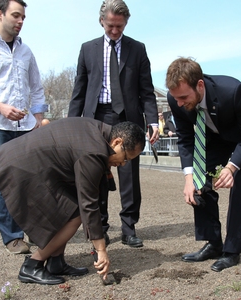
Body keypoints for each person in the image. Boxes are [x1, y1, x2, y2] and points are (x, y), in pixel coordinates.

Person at [0, 118, 146, 285]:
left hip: (26, 161)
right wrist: (101, 250)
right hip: (22, 167)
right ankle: (32, 265)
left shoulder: (98, 131)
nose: (123, 164)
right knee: (76, 214)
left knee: (70, 207)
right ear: (117, 141)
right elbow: (88, 203)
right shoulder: (93, 150)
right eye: (126, 158)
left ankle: (56, 262)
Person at [166, 57, 241, 272]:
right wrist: (189, 178)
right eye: (175, 98)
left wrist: (231, 167)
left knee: (238, 187)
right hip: (216, 136)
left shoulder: (233, 90)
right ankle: (213, 243)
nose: (179, 104)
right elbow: (185, 139)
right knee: (201, 180)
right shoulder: (176, 99)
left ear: (199, 85)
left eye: (183, 97)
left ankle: (232, 251)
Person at [68, 0, 158, 248]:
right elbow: (79, 90)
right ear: (101, 22)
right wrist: (71, 124)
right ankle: (102, 226)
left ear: (126, 23)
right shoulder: (88, 49)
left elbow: (147, 91)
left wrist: (153, 121)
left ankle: (129, 227)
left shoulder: (137, 49)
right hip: (96, 118)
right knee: (97, 173)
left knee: (129, 175)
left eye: (120, 26)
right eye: (111, 26)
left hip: (128, 118)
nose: (115, 31)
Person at [0, 0, 48, 254]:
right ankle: (12, 237)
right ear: (0, 14)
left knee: (30, 176)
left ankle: (35, 227)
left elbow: (37, 88)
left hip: (25, 126)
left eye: (23, 18)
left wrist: (40, 119)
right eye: (16, 16)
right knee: (3, 177)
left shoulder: (26, 52)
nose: (20, 22)